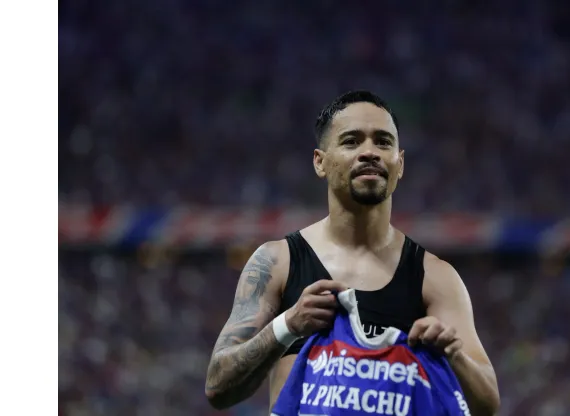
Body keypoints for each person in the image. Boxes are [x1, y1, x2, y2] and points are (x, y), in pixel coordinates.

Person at [205, 91, 501, 415]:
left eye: (383, 142)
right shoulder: (278, 262)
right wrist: (288, 325)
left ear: (399, 164)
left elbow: (487, 406)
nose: (370, 152)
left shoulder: (434, 277)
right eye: (351, 141)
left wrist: (453, 354)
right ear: (320, 161)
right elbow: (218, 386)